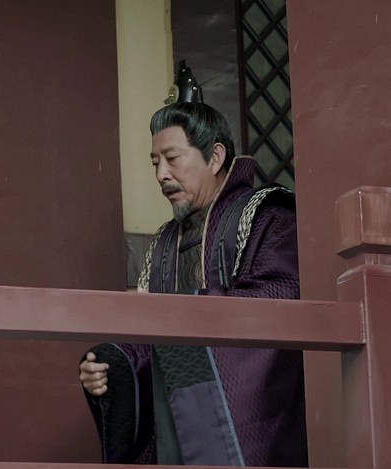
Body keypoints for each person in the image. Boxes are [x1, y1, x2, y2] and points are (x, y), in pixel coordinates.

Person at [79, 101, 307, 466]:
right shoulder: (164, 244)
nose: (162, 175)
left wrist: (188, 326)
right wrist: (113, 367)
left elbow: (280, 300)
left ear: (215, 157)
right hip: (174, 432)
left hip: (247, 429)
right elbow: (145, 335)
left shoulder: (266, 217)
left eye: (172, 159)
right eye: (155, 163)